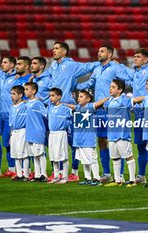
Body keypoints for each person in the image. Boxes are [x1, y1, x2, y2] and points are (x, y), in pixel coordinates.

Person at [77, 45, 132, 182]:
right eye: (98, 51)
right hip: (99, 110)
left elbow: (128, 81)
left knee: (117, 140)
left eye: (102, 51)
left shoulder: (116, 67)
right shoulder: (96, 69)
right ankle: (107, 173)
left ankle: (120, 175)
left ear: (110, 54)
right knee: (101, 140)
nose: (98, 53)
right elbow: (90, 83)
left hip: (113, 109)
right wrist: (74, 87)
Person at [47, 41, 100, 182]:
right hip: (55, 108)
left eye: (57, 48)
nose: (53, 50)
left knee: (75, 141)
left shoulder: (71, 65)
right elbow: (48, 79)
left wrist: (107, 62)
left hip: (70, 109)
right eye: (53, 48)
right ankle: (57, 173)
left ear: (64, 52)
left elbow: (90, 66)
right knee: (55, 141)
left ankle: (75, 172)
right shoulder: (53, 66)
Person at [122, 48, 148, 184]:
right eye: (134, 56)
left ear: (146, 59)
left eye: (138, 57)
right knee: (140, 145)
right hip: (139, 112)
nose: (135, 58)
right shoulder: (136, 73)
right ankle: (141, 175)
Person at [101, 79, 144, 187]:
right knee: (115, 157)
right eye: (110, 87)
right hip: (111, 134)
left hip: (122, 134)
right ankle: (117, 180)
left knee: (128, 156)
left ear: (120, 90)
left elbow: (137, 99)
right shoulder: (109, 101)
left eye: (113, 87)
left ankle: (132, 180)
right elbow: (101, 104)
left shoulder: (124, 100)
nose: (110, 89)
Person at [62, 89, 109, 186]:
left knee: (92, 159)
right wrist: (62, 104)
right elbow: (72, 106)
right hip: (79, 140)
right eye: (78, 96)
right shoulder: (78, 108)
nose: (78, 98)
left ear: (88, 99)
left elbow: (98, 103)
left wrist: (108, 98)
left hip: (88, 140)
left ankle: (96, 178)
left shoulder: (90, 107)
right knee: (84, 160)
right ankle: (88, 178)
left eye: (81, 97)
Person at [47, 88, 72, 184]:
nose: (51, 98)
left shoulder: (64, 108)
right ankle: (56, 176)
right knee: (53, 156)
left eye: (53, 95)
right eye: (49, 96)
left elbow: (75, 111)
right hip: (52, 134)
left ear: (59, 97)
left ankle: (65, 177)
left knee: (63, 156)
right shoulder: (49, 108)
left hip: (61, 134)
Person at [24, 82, 48, 182]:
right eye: (24, 89)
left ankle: (44, 174)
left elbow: (45, 114)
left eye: (26, 89)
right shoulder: (27, 103)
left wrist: (44, 105)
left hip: (37, 131)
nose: (25, 91)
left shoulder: (38, 103)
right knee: (34, 154)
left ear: (33, 91)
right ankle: (37, 174)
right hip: (29, 132)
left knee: (40, 154)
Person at [0, 56, 17, 178]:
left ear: (12, 65)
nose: (2, 64)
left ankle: (19, 169)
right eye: (2, 62)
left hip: (12, 116)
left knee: (15, 144)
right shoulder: (1, 77)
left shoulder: (17, 78)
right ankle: (11, 169)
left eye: (5, 62)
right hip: (2, 115)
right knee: (6, 144)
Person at [9, 85, 29, 182]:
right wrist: (11, 135)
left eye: (14, 94)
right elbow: (11, 123)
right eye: (11, 94)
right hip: (15, 133)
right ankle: (19, 174)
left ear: (20, 95)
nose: (12, 96)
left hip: (22, 131)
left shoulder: (25, 106)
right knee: (16, 153)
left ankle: (26, 174)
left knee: (24, 153)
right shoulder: (12, 107)